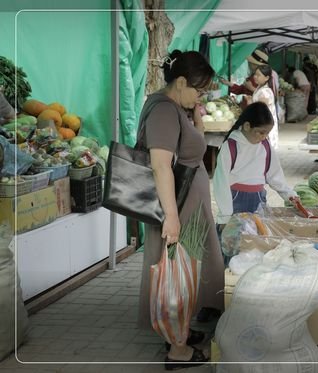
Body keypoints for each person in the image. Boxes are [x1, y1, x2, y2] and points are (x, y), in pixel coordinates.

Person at [136, 50, 224, 368]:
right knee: (178, 278)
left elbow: (193, 143)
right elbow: (160, 166)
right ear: (181, 81)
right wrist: (172, 218)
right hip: (180, 210)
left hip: (188, 207)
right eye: (198, 91)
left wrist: (194, 108)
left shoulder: (175, 107)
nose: (200, 97)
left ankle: (180, 333)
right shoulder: (162, 111)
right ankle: (178, 350)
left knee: (185, 276)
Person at [212, 101, 296, 238]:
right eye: (260, 132)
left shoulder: (266, 146)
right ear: (246, 126)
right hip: (234, 203)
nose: (263, 137)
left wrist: (289, 194)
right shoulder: (230, 146)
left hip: (258, 202)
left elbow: (275, 175)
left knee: (257, 244)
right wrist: (225, 216)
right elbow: (221, 184)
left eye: (266, 134)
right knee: (233, 246)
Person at [248, 64, 279, 149]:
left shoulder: (265, 92)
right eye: (255, 74)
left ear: (267, 78)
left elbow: (260, 110)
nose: (255, 77)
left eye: (258, 75)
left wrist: (250, 103)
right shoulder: (260, 88)